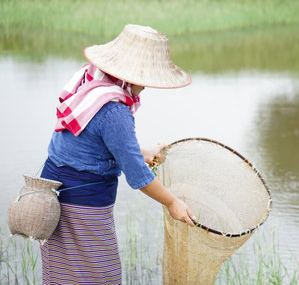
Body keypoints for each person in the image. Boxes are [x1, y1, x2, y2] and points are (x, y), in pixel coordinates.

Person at [39, 24, 194, 284]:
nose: (147, 86)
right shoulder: (114, 110)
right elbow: (138, 177)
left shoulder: (92, 78)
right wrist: (172, 203)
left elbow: (93, 141)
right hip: (81, 202)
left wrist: (144, 152)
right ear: (134, 74)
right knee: (101, 276)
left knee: (63, 275)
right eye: (147, 78)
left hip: (53, 193)